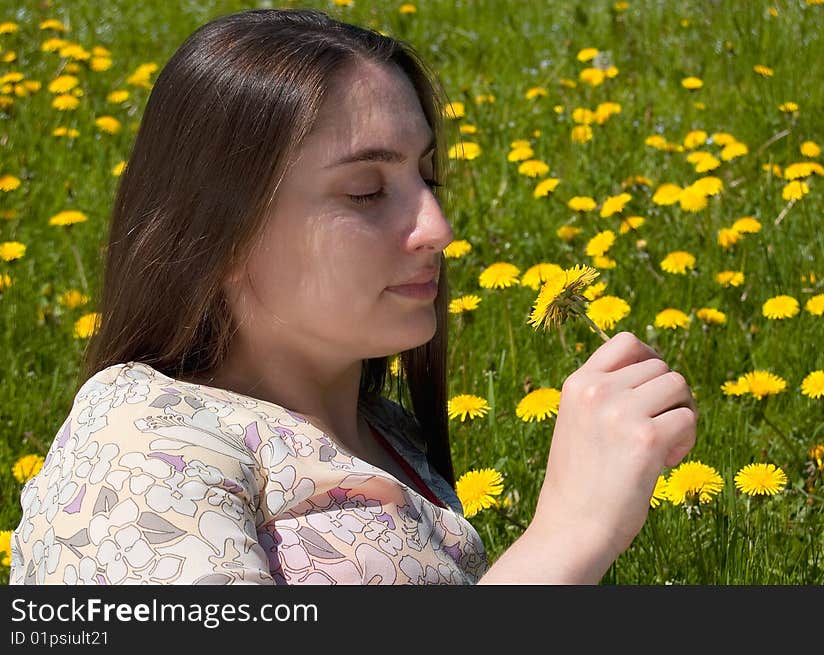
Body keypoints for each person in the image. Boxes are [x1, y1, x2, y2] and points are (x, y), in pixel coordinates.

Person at [8, 8, 697, 585]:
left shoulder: (389, 435)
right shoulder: (139, 448)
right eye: (367, 191)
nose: (438, 228)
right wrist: (570, 531)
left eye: (430, 178)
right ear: (214, 234)